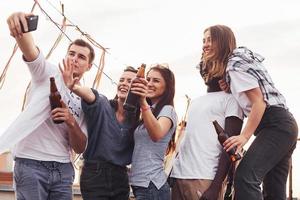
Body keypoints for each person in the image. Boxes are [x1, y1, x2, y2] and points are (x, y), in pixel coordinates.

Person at [203, 25, 298, 199]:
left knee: (245, 177)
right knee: (274, 190)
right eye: (204, 41)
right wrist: (230, 85)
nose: (205, 45)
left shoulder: (234, 66)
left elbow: (259, 102)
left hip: (275, 125)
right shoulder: (239, 62)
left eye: (210, 39)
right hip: (286, 126)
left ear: (222, 41)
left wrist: (244, 137)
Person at [6, 12, 94, 200]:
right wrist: (20, 26)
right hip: (31, 164)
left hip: (63, 169)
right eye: (71, 53)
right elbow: (31, 51)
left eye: (81, 57)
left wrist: (70, 121)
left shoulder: (85, 98)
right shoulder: (48, 73)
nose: (74, 59)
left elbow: (80, 147)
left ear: (89, 66)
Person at [170, 41, 243, 199]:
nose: (204, 68)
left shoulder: (232, 100)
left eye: (209, 64)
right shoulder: (196, 101)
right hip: (179, 176)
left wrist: (216, 186)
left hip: (205, 178)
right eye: (202, 65)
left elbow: (230, 148)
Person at [61, 63, 139, 199]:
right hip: (95, 175)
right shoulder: (103, 105)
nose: (124, 84)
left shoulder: (136, 120)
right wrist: (75, 87)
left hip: (120, 177)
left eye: (130, 81)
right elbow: (91, 95)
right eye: (122, 80)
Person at [129, 64, 178, 200]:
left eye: (156, 80)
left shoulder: (168, 110)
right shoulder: (148, 111)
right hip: (141, 184)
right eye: (148, 79)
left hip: (152, 185)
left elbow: (157, 134)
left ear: (167, 86)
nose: (149, 84)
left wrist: (143, 102)